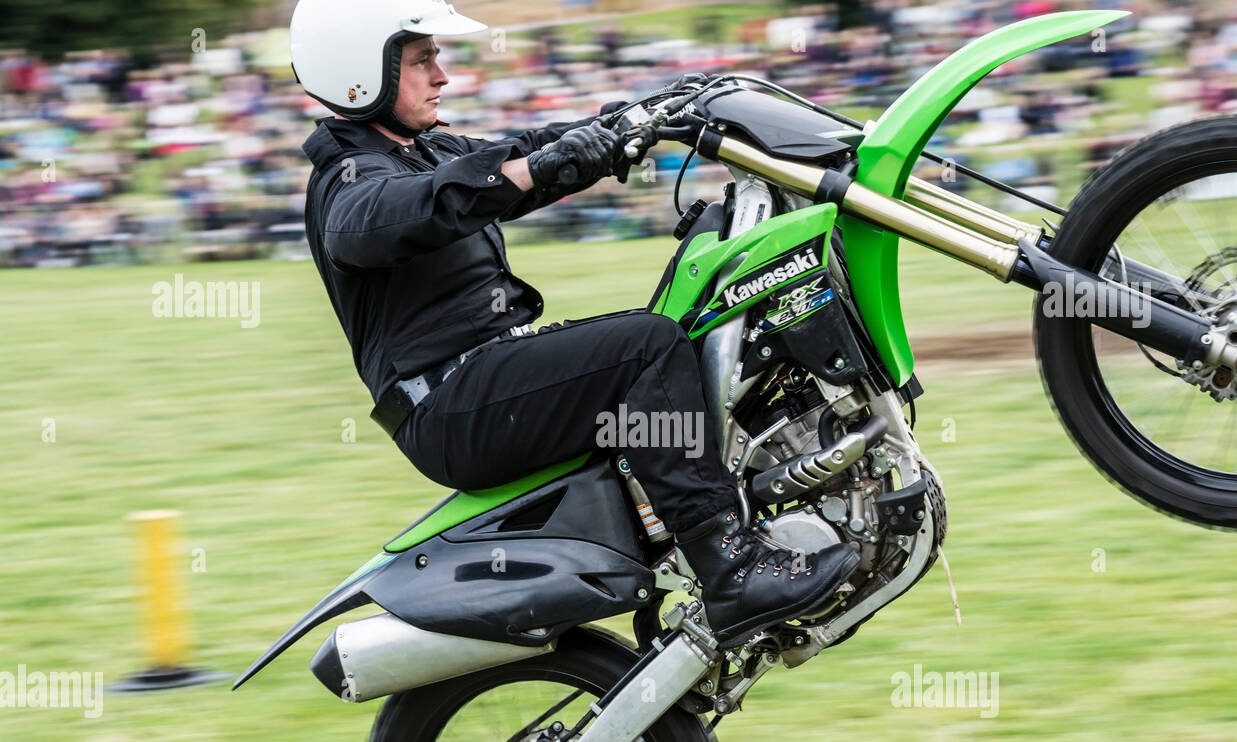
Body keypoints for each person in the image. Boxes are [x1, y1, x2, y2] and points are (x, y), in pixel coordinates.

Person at [290, 0, 858, 646]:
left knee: (687, 321)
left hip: (481, 383)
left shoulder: (423, 150)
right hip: (450, 408)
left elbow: (523, 154)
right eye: (423, 61)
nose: (442, 75)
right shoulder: (347, 183)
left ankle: (711, 520)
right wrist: (531, 168)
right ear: (362, 74)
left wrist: (630, 121)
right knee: (647, 349)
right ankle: (730, 567)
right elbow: (410, 211)